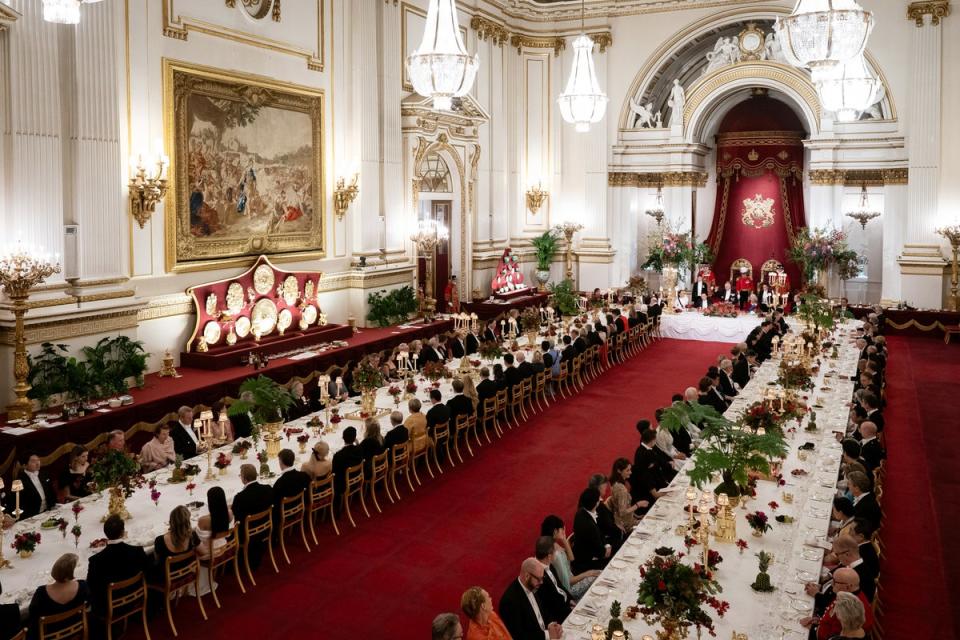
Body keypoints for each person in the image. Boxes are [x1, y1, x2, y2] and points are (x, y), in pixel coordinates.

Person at [86, 515, 148, 617]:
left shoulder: (96, 561)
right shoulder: (137, 551)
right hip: (136, 597)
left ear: (105, 534)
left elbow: (91, 588)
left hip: (109, 606)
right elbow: (147, 571)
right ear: (123, 532)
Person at [498, 558, 563, 639]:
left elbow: (542, 611)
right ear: (527, 576)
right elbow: (519, 636)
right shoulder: (510, 601)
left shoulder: (532, 585)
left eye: (542, 578)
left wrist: (552, 625)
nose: (541, 582)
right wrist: (548, 634)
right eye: (539, 579)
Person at [28, 554, 89, 640]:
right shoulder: (82, 586)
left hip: (50, 635)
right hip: (76, 630)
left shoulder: (41, 593)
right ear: (71, 572)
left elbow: (33, 616)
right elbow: (88, 603)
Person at [540, 515, 599, 599]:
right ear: (555, 531)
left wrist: (564, 539)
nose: (564, 531)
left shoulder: (554, 544)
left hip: (572, 579)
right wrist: (587, 574)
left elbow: (571, 558)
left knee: (596, 573)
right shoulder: (555, 554)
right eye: (562, 529)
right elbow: (567, 583)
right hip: (570, 590)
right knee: (597, 575)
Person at [231, 464, 274, 571]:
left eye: (240, 476)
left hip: (248, 534)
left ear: (244, 479)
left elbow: (236, 519)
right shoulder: (267, 489)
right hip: (266, 528)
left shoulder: (240, 498)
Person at [193, 487, 233, 596]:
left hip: (210, 552)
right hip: (224, 546)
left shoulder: (203, 520)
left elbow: (199, 538)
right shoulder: (228, 513)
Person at [149, 505, 199, 582]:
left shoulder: (160, 540)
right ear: (188, 521)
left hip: (167, 577)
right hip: (187, 571)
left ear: (171, 521)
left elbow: (157, 560)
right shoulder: (193, 536)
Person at [533, 536, 573, 624]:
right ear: (549, 556)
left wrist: (570, 599)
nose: (557, 553)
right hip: (559, 616)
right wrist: (570, 609)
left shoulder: (548, 564)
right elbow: (552, 604)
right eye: (555, 551)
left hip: (565, 604)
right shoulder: (538, 576)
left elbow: (559, 585)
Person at [571, 487, 610, 573]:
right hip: (586, 564)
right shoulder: (589, 525)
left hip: (585, 553)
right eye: (599, 499)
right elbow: (601, 553)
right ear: (596, 503)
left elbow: (599, 532)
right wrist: (607, 549)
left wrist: (607, 544)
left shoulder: (581, 512)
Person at [8, 453, 56, 519]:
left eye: (38, 460)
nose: (37, 463)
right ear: (25, 465)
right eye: (33, 461)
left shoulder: (44, 474)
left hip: (48, 511)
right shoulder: (19, 481)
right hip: (32, 516)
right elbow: (16, 503)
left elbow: (51, 493)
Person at [607, 458, 647, 534]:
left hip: (626, 520)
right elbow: (622, 511)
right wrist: (638, 505)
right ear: (619, 471)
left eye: (630, 470)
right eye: (627, 470)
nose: (631, 472)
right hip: (627, 525)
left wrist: (636, 516)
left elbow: (624, 506)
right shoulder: (621, 489)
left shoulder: (615, 483)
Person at [331, 427, 364, 503]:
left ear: (343, 438)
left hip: (343, 485)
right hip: (358, 479)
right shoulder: (359, 449)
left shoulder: (338, 455)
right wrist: (357, 443)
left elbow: (334, 473)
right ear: (355, 438)